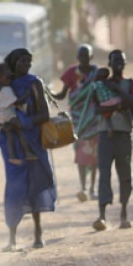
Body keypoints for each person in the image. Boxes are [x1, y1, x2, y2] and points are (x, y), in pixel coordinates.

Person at [0, 49, 57, 251]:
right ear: (13, 62)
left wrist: (23, 123)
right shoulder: (3, 85)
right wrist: (7, 124)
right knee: (14, 187)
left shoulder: (34, 83)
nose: (26, 65)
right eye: (22, 61)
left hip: (32, 140)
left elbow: (44, 115)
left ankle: (38, 234)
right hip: (12, 144)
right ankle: (12, 238)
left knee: (35, 186)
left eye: (29, 61)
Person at [92, 50, 133, 232]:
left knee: (125, 175)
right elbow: (95, 109)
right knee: (104, 175)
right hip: (105, 135)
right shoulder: (100, 85)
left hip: (123, 134)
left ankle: (124, 212)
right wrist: (118, 104)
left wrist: (116, 91)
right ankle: (102, 215)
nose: (119, 64)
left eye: (121, 61)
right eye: (115, 61)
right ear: (109, 63)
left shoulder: (130, 84)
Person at [53, 45, 99, 201]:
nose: (84, 59)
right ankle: (83, 188)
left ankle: (92, 188)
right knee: (81, 153)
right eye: (81, 56)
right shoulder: (71, 73)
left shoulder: (96, 72)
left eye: (86, 56)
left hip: (94, 119)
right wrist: (47, 93)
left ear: (91, 57)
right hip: (78, 120)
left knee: (95, 155)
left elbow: (101, 92)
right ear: (77, 58)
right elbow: (61, 95)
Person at [0, 63, 38, 165]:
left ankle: (12, 156)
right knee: (21, 131)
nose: (11, 78)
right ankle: (28, 152)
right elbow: (17, 102)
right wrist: (28, 93)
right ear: (3, 77)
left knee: (10, 136)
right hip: (8, 115)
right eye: (9, 76)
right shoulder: (7, 90)